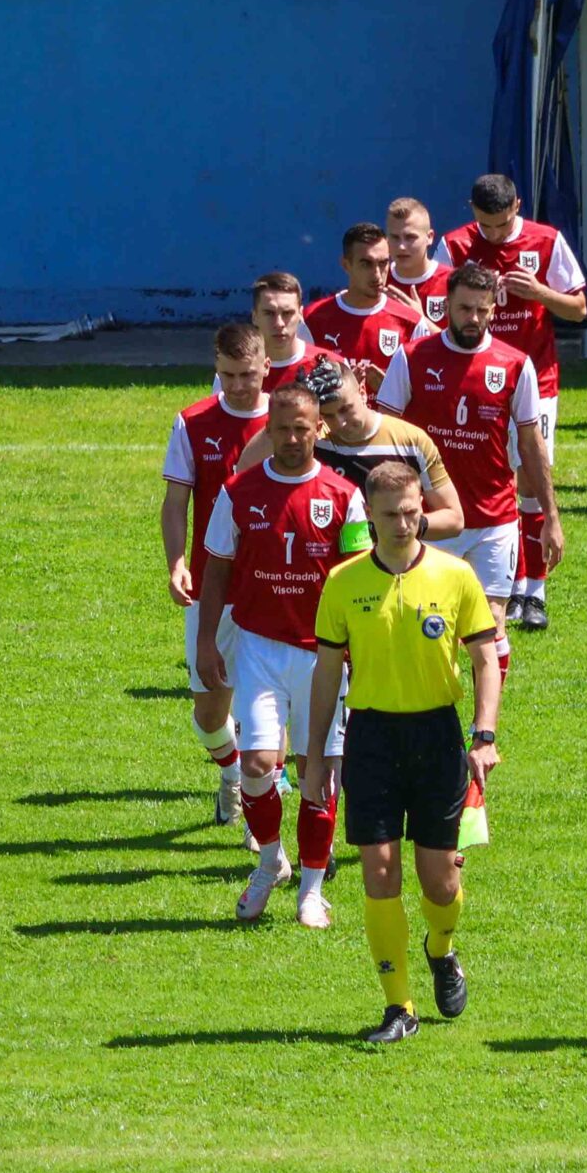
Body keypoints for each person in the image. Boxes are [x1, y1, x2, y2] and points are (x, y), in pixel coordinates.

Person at [303, 461, 506, 1045]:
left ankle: (441, 948)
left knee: (439, 881)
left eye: (412, 512)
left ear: (423, 508)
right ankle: (400, 1006)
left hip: (437, 737)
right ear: (369, 514)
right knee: (379, 869)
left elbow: (485, 659)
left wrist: (484, 734)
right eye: (391, 514)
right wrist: (315, 759)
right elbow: (326, 674)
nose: (403, 523)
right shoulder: (343, 582)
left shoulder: (455, 575)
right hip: (371, 738)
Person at [194, 384, 372, 928]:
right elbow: (217, 570)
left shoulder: (344, 496)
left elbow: (359, 579)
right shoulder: (238, 491)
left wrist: (360, 651)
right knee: (256, 765)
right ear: (267, 430)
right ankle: (270, 861)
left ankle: (311, 893)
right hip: (259, 648)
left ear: (320, 429)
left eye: (302, 429)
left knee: (317, 772)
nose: (292, 439)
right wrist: (206, 640)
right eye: (282, 429)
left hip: (324, 655)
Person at [377, 261, 563, 683]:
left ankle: (486, 718)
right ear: (446, 306)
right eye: (464, 309)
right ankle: (430, 705)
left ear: (494, 308)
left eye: (481, 309)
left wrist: (551, 517)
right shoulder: (412, 358)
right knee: (425, 621)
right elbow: (386, 436)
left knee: (490, 622)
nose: (473, 318)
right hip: (431, 518)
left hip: (493, 519)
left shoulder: (515, 364)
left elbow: (532, 445)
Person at [438, 173, 587, 628]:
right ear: (472, 211)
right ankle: (514, 582)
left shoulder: (546, 241)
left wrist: (539, 292)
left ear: (518, 206)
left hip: (535, 378)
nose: (495, 234)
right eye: (486, 225)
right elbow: (435, 307)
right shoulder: (454, 246)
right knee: (492, 480)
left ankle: (535, 592)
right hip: (474, 381)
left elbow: (579, 308)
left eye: (503, 224)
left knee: (531, 480)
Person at [159, 322, 270, 827]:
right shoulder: (193, 422)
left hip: (272, 585)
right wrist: (176, 563)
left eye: (248, 374)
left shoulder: (290, 422)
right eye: (228, 375)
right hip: (211, 587)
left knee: (263, 708)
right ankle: (231, 773)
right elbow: (175, 501)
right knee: (209, 716)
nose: (239, 386)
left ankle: (260, 821)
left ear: (266, 366)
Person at [232, 357, 467, 540]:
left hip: (392, 567)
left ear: (363, 392)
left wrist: (396, 525)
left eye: (346, 409)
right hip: (328, 566)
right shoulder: (316, 437)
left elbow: (454, 519)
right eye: (328, 415)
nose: (340, 423)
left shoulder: (410, 441)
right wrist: (295, 404)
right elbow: (245, 467)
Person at [302, 223, 431, 374]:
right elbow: (298, 383)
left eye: (383, 263)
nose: (377, 275)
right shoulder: (312, 320)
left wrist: (388, 387)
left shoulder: (411, 323)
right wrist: (346, 386)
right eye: (366, 264)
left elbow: (423, 384)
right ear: (346, 265)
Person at [248, 271, 358, 395]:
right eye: (269, 313)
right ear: (254, 316)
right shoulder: (237, 369)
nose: (279, 323)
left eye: (287, 313)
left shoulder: (334, 368)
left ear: (300, 314)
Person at [383, 198, 453, 325]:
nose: (401, 246)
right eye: (395, 237)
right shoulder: (377, 283)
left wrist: (420, 320)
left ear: (429, 237)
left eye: (410, 237)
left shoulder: (453, 283)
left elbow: (461, 339)